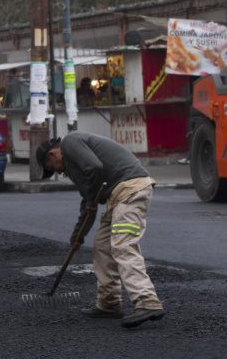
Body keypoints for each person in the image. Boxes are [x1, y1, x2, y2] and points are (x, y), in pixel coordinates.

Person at [36, 133, 166, 328]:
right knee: (102, 246)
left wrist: (92, 195)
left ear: (52, 155)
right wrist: (77, 236)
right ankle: (109, 303)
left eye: (51, 168)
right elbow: (89, 202)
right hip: (118, 197)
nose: (57, 172)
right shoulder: (74, 164)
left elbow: (95, 169)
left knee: (123, 245)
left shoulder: (70, 143)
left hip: (130, 189)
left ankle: (147, 301)